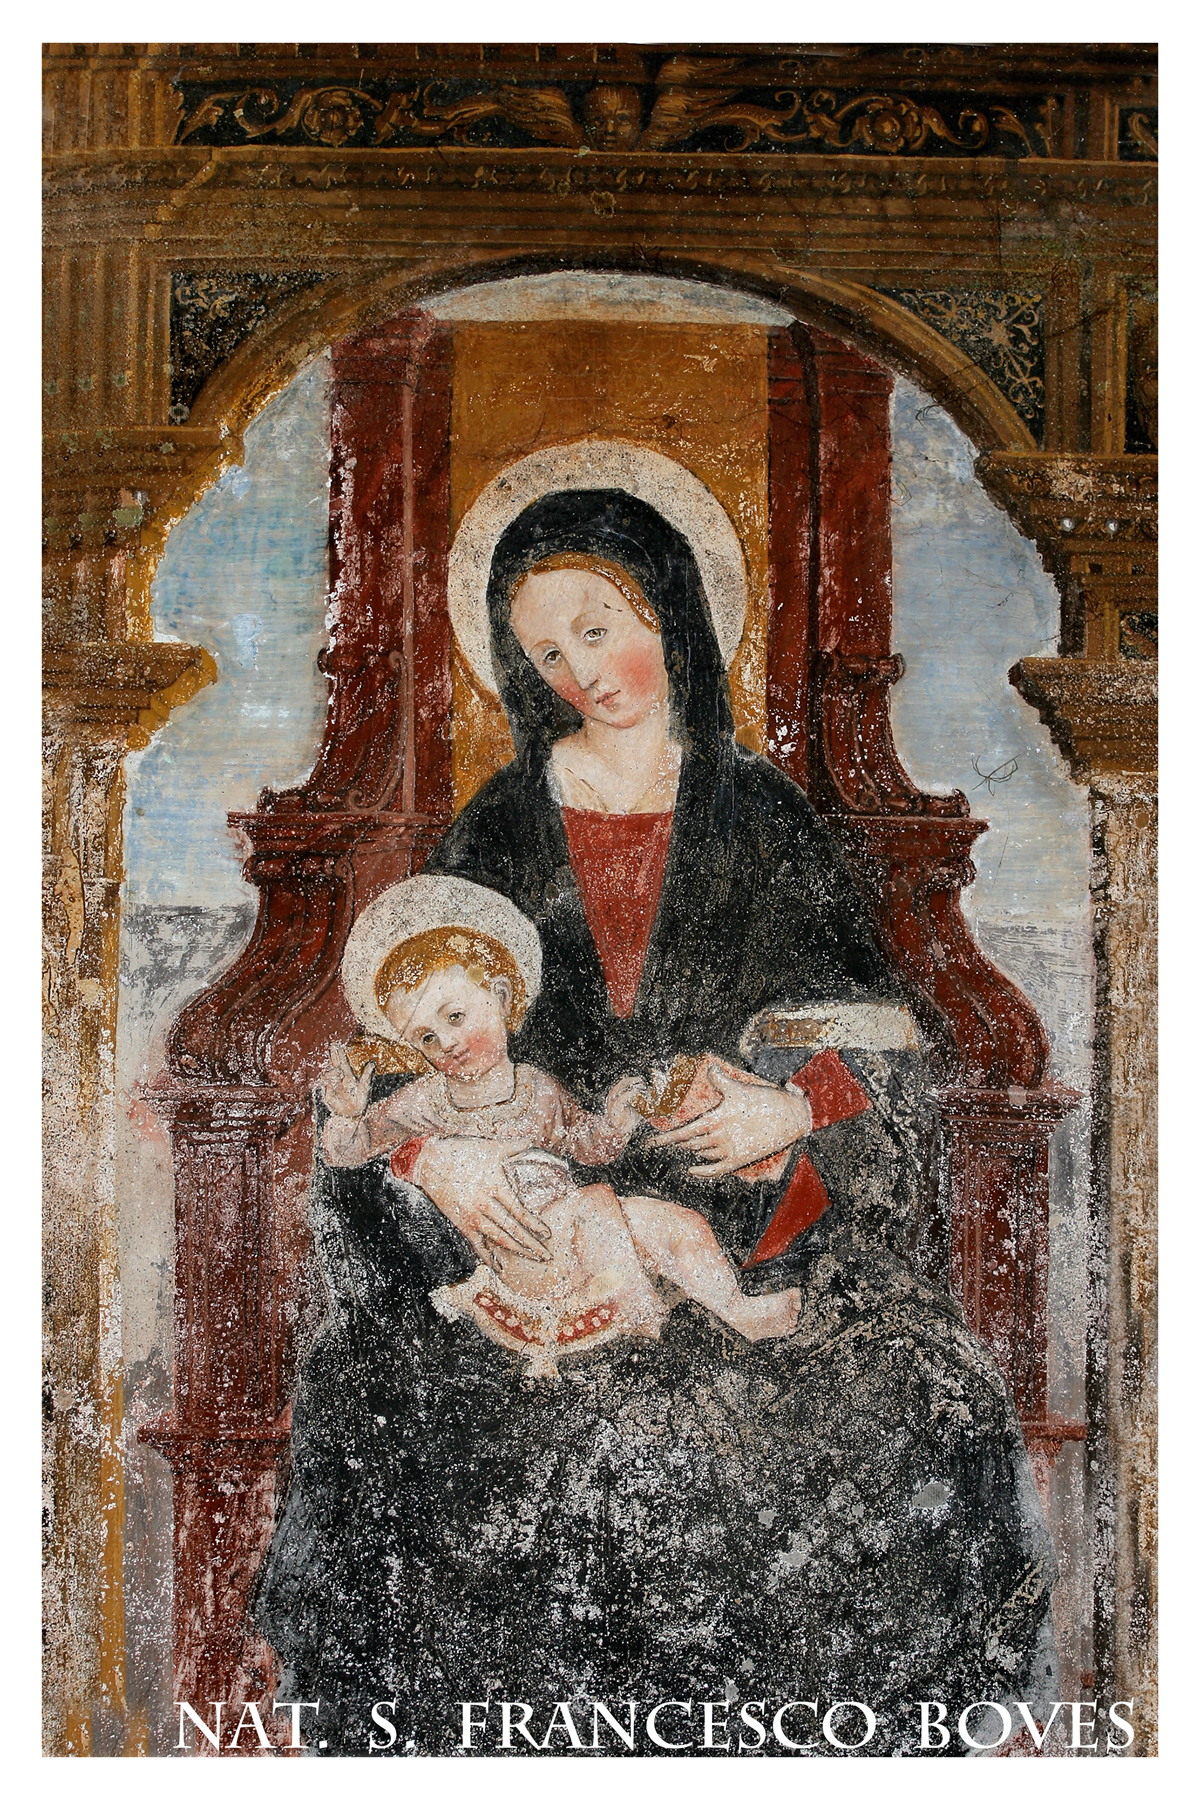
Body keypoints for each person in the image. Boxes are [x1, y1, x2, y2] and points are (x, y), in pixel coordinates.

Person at [254, 490, 1057, 1756]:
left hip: (751, 1226)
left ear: (672, 612)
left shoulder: (768, 818)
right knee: (441, 1415)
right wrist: (435, 1157)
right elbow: (388, 1069)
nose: (581, 673)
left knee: (916, 1397)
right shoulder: (495, 828)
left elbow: (886, 1044)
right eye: (547, 652)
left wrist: (792, 1105)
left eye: (600, 626)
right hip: (527, 1231)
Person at [319, 875, 805, 1375]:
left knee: (677, 1225)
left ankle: (739, 1310)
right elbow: (349, 1149)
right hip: (523, 1246)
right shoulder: (424, 1101)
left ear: (501, 997)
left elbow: (585, 1144)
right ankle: (646, 1315)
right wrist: (347, 1114)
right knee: (598, 1208)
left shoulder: (538, 1089)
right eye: (425, 1038)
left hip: (580, 1228)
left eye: (455, 1016)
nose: (445, 1042)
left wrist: (615, 1122)